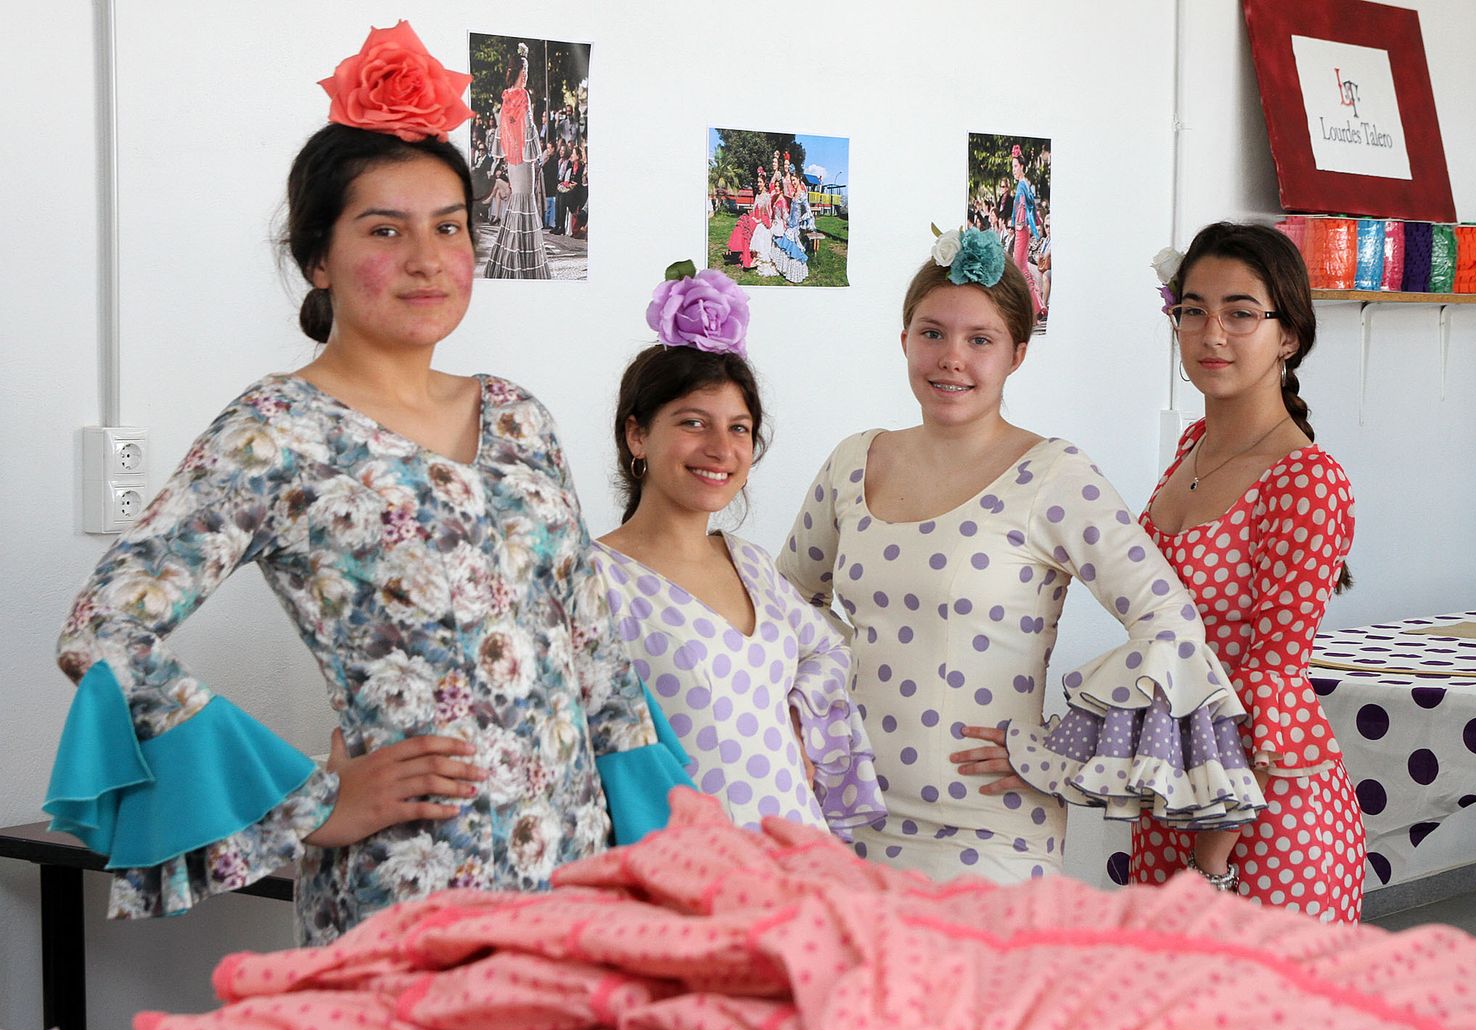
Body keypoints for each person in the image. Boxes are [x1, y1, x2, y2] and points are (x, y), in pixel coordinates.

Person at [45, 22, 682, 945]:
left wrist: (660, 851)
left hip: (579, 878)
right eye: (385, 229)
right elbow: (104, 631)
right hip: (410, 885)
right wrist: (315, 801)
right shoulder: (277, 432)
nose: (427, 258)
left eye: (449, 227)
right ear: (317, 258)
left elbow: (597, 659)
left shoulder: (519, 415)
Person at [779, 228, 1261, 883]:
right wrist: (835, 688)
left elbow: (1169, 620)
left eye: (980, 339)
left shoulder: (1052, 475)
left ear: (1017, 355)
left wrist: (1061, 744)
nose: (952, 357)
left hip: (990, 832)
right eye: (932, 333)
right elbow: (787, 599)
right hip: (846, 812)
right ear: (904, 341)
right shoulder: (852, 460)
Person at [594, 267, 884, 837]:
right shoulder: (594, 579)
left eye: (740, 428)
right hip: (691, 874)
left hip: (798, 857)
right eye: (693, 423)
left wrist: (801, 724)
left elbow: (828, 652)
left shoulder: (750, 564)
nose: (721, 449)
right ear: (637, 435)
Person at [1131, 221, 1362, 922]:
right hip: (1176, 788)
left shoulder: (1306, 480)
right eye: (1193, 310)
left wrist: (1211, 862)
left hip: (1257, 823)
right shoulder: (1194, 444)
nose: (1211, 334)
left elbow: (1270, 679)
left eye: (1240, 313)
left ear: (1288, 334)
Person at [484, 42, 552, 278]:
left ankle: (510, 257)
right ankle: (521, 259)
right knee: (525, 200)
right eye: (525, 72)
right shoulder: (523, 95)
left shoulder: (506, 97)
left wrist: (513, 151)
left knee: (518, 201)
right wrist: (532, 153)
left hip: (513, 159)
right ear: (520, 72)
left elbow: (504, 130)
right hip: (523, 158)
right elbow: (529, 126)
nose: (526, 76)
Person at [1008, 147, 1044, 319]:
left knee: (1020, 267)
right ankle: (1037, 306)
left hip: (1021, 229)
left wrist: (1019, 225)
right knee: (1022, 268)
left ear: (1022, 166)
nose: (1013, 170)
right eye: (1012, 167)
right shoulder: (1024, 184)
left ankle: (1036, 307)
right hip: (1022, 229)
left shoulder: (1022, 185)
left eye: (1015, 166)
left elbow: (1023, 206)